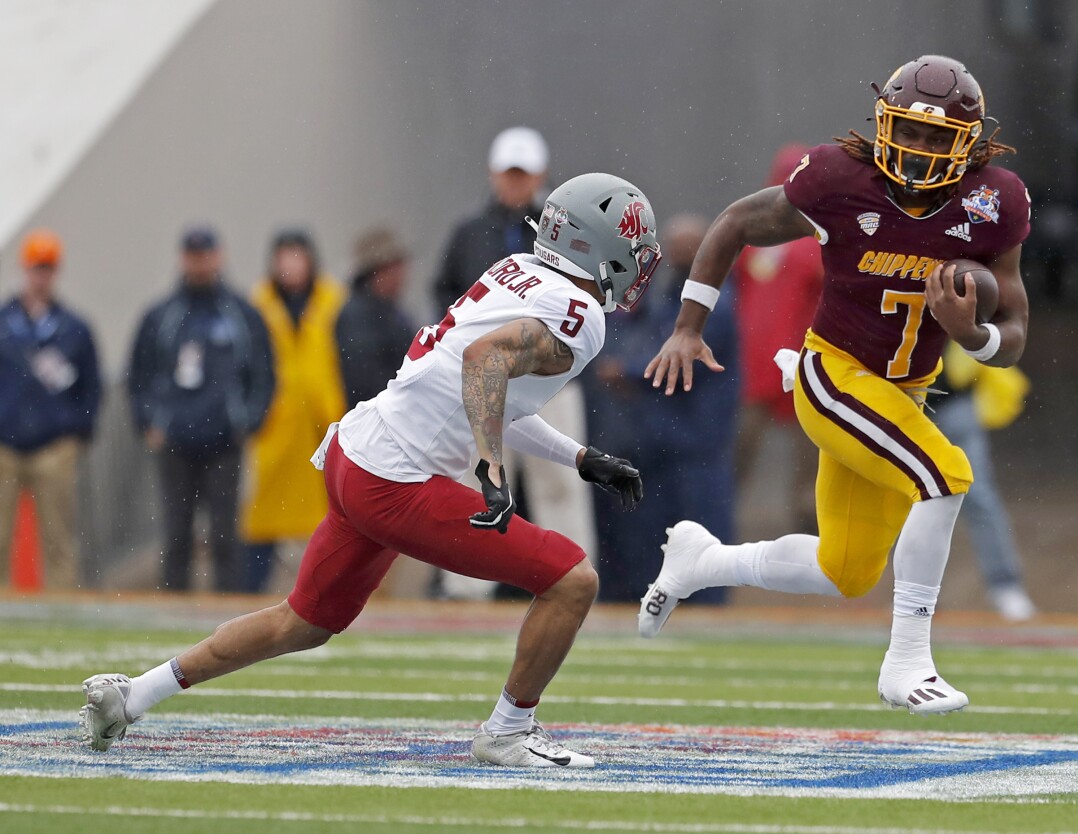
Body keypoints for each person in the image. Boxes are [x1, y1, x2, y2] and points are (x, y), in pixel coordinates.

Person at [80, 173, 656, 769]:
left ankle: (132, 695)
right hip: (397, 482)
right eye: (632, 249)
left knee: (300, 622)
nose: (638, 267)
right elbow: (485, 364)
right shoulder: (579, 312)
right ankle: (508, 732)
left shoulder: (518, 269)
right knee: (571, 581)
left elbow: (487, 389)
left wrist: (581, 459)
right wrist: (489, 467)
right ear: (599, 246)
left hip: (359, 455)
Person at [642, 55, 1031, 715]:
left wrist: (970, 335)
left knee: (845, 571)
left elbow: (1015, 329)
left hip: (901, 393)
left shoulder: (994, 200)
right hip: (833, 376)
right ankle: (907, 663)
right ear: (883, 124)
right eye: (909, 130)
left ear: (969, 145)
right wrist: (687, 326)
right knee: (945, 474)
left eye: (939, 138)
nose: (920, 148)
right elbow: (736, 221)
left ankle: (700, 561)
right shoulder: (838, 180)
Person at [432, 126, 596, 598]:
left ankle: (572, 575)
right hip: (483, 375)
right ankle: (465, 585)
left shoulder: (565, 232)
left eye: (523, 174)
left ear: (540, 175)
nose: (515, 182)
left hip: (549, 378)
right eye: (509, 174)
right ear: (493, 173)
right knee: (474, 477)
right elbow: (446, 294)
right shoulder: (469, 232)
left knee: (560, 480)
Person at [585, 213, 735, 604]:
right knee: (654, 543)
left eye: (693, 249)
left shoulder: (717, 300)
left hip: (698, 444)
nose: (684, 257)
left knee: (703, 540)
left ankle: (708, 613)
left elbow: (680, 351)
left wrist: (629, 373)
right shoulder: (670, 297)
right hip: (659, 444)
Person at [126, 226, 274, 592]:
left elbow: (264, 372)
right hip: (175, 439)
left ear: (218, 256)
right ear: (182, 259)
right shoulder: (162, 315)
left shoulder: (239, 313)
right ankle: (172, 610)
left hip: (224, 439)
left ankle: (227, 615)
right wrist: (150, 421)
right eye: (193, 256)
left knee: (225, 535)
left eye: (205, 254)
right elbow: (139, 373)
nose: (200, 263)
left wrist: (247, 420)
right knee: (176, 533)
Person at [240, 230, 348, 593]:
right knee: (263, 518)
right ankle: (251, 591)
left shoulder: (333, 300)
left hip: (323, 420)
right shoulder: (259, 303)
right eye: (284, 258)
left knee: (325, 515)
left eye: (297, 257)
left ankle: (323, 589)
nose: (290, 266)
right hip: (277, 422)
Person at [0, 229, 101, 589]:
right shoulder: (4, 323)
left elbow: (92, 386)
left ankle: (62, 610)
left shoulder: (74, 328)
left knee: (59, 539)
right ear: (24, 269)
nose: (40, 276)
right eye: (35, 267)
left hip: (54, 446)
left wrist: (76, 432)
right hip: (5, 445)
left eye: (47, 268)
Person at [733, 144, 825, 533]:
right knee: (741, 443)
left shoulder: (825, 238)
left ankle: (809, 518)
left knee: (813, 443)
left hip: (804, 360)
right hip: (754, 363)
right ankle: (721, 512)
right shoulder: (756, 234)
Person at [931, 342, 1036, 621]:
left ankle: (1005, 585)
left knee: (978, 496)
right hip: (906, 403)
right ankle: (917, 594)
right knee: (914, 502)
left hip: (954, 400)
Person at [336, 227, 417, 410]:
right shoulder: (357, 316)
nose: (402, 276)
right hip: (380, 422)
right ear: (375, 273)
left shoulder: (392, 311)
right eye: (394, 268)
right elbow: (366, 383)